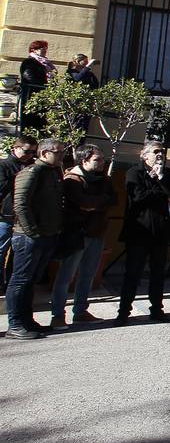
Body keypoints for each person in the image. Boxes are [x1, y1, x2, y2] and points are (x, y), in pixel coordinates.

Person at [5, 139, 65, 339]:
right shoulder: (32, 172)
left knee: (31, 282)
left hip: (47, 236)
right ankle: (15, 324)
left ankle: (27, 321)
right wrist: (32, 232)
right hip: (28, 238)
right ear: (44, 153)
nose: (61, 156)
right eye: (57, 152)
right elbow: (20, 204)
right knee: (20, 281)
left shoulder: (53, 173)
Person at [117, 141, 170, 324]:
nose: (160, 155)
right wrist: (157, 187)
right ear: (144, 155)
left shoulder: (167, 174)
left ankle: (157, 310)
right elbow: (138, 198)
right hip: (139, 231)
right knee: (133, 273)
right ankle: (123, 312)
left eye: (162, 152)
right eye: (155, 152)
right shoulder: (134, 173)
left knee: (158, 273)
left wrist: (160, 179)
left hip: (160, 231)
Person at [51, 143, 115, 326]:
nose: (102, 163)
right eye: (98, 159)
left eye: (103, 159)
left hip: (96, 232)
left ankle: (80, 311)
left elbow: (113, 199)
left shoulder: (103, 179)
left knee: (88, 274)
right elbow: (82, 202)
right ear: (84, 160)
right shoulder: (72, 179)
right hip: (76, 233)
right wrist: (99, 202)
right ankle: (57, 314)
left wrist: (95, 203)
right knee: (66, 276)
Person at [0, 135, 38, 293]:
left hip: (25, 219)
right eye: (27, 151)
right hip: (6, 217)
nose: (30, 155)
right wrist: (21, 177)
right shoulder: (4, 166)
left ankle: (10, 286)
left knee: (18, 256)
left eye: (33, 153)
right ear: (15, 148)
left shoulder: (33, 166)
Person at [18, 40, 54, 130]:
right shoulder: (29, 61)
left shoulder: (45, 63)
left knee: (41, 121)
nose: (45, 50)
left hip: (43, 95)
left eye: (46, 48)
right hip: (32, 96)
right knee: (32, 122)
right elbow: (28, 77)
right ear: (34, 50)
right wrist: (44, 86)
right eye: (42, 48)